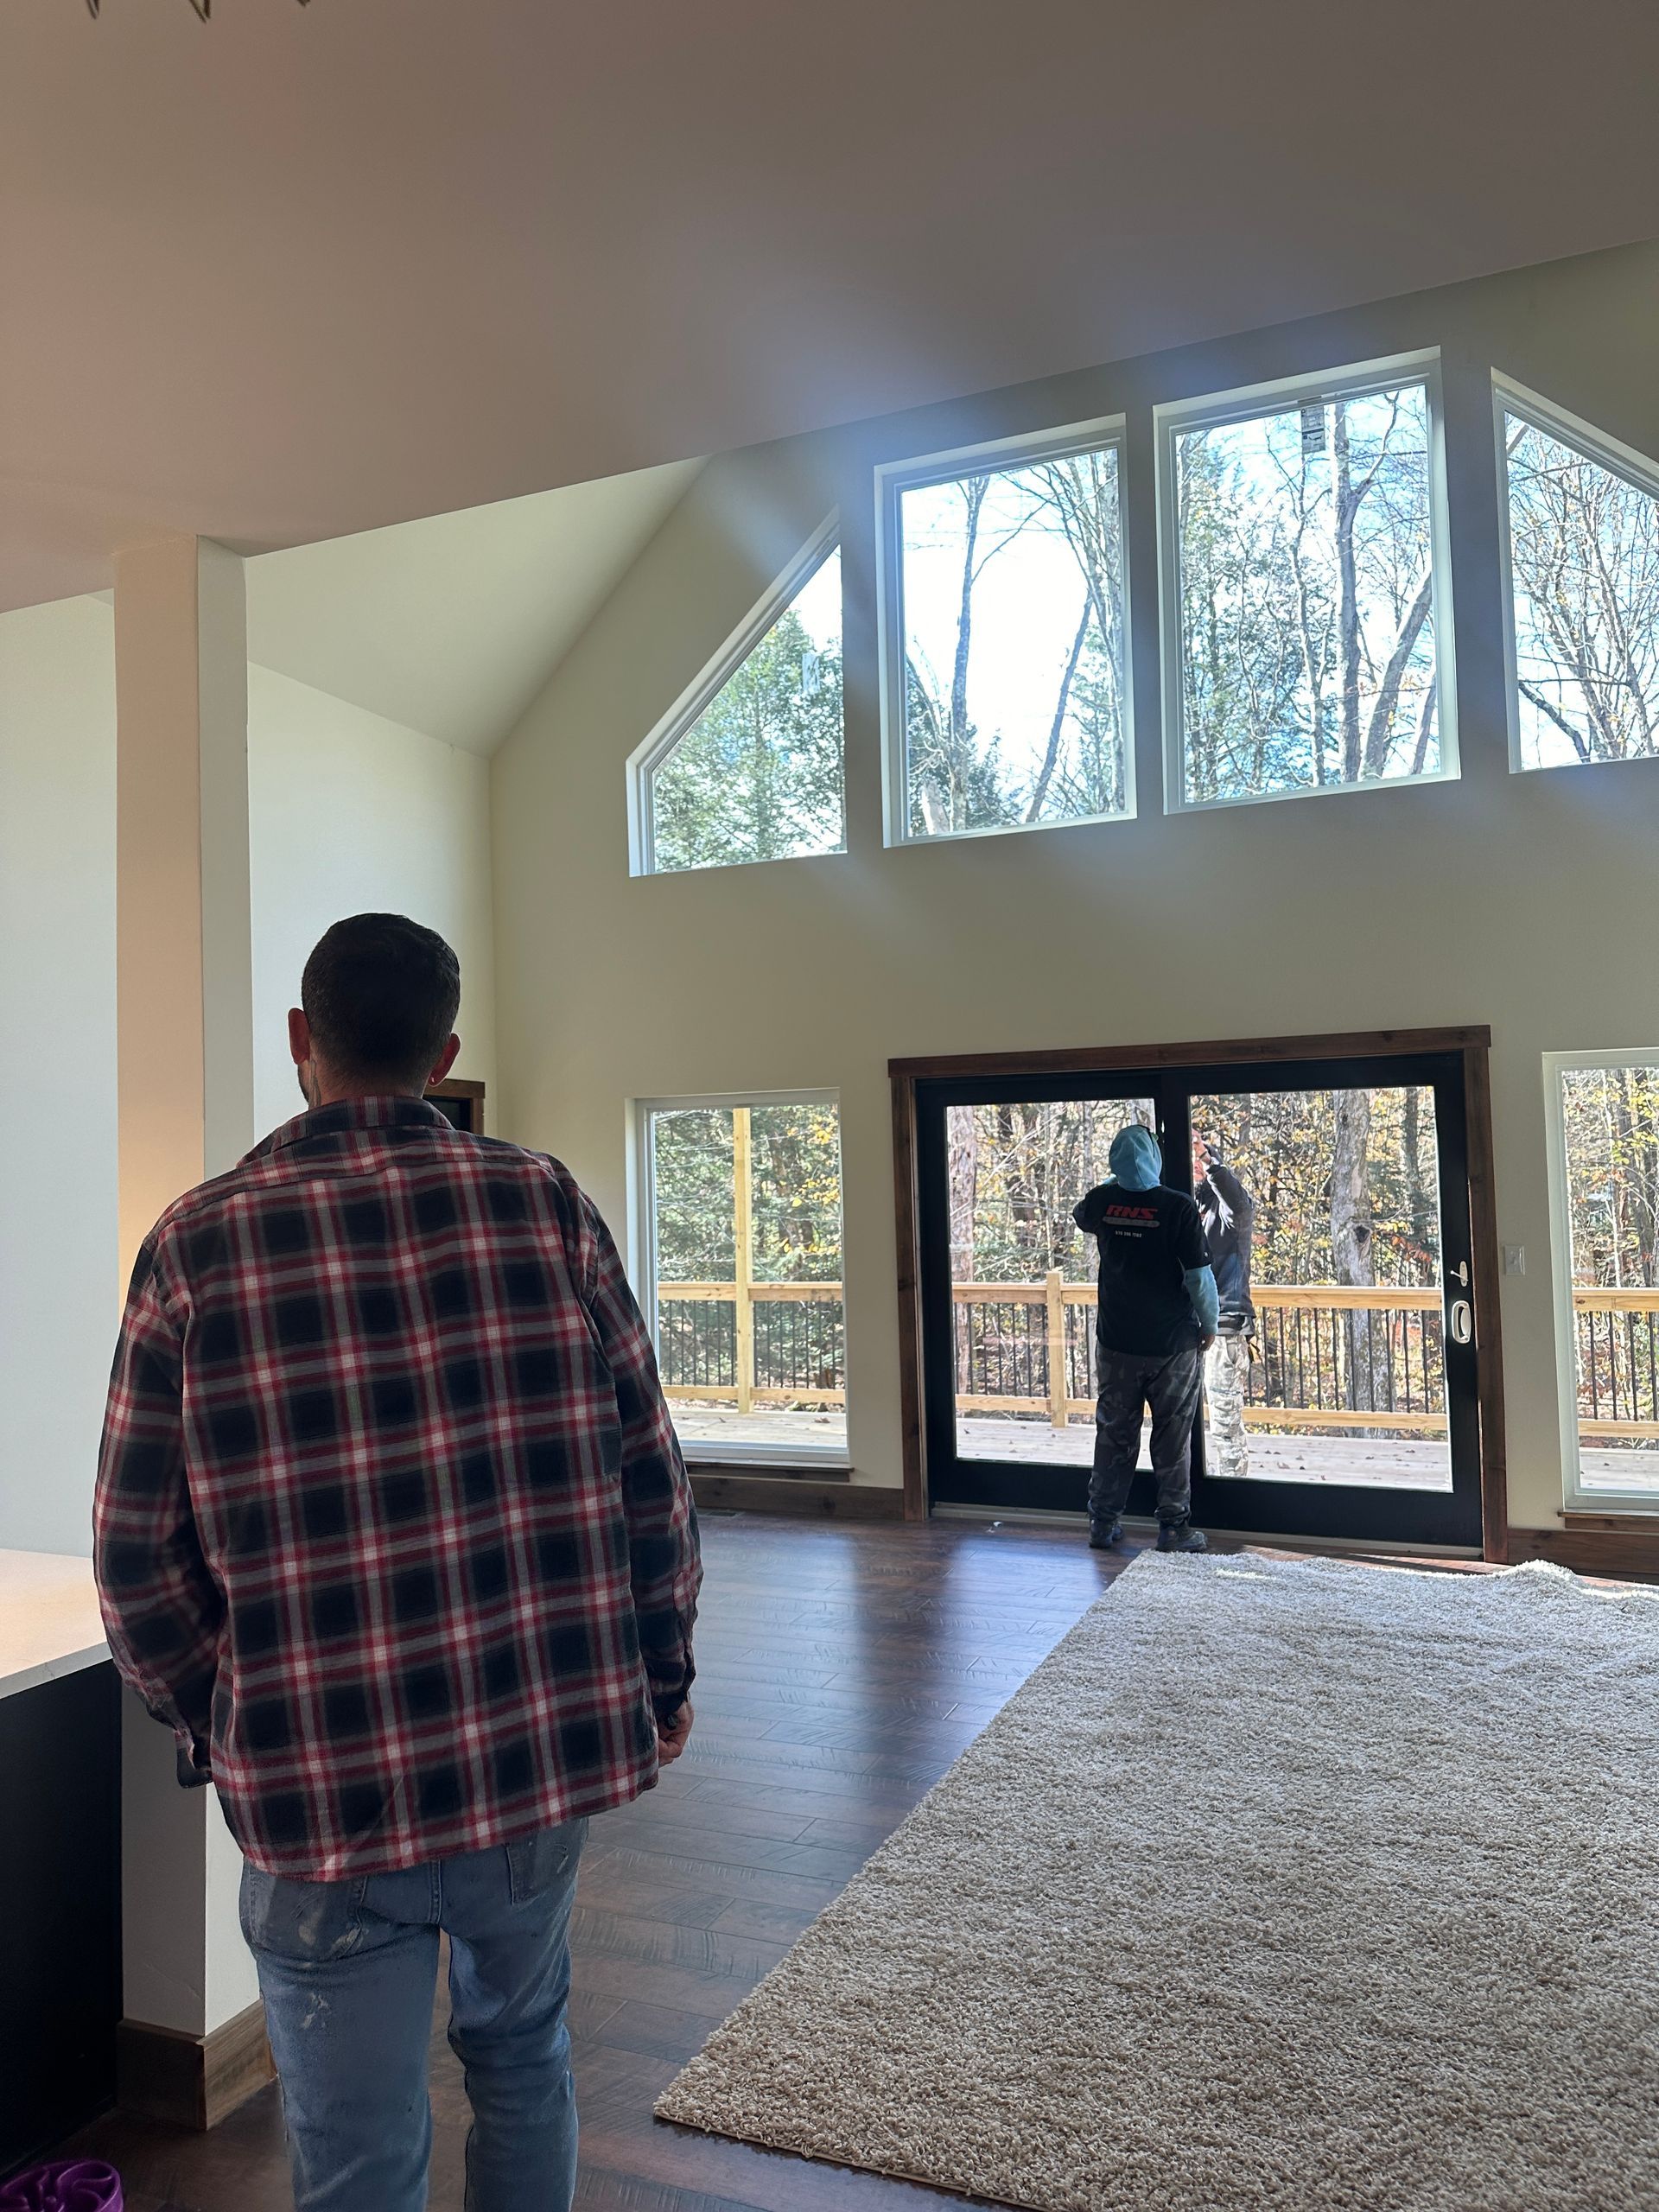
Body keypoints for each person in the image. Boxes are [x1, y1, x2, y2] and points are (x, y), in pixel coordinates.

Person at [94, 913, 702, 2212]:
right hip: (534, 1760)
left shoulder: (196, 1245)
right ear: (446, 1053)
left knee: (358, 2156)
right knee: (525, 2056)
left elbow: (136, 1560)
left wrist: (231, 1716)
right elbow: (653, 1483)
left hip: (322, 1795)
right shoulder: (547, 1205)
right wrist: (661, 1675)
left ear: (302, 1041)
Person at [1072, 1124, 1217, 1554]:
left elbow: (1083, 1216)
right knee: (1172, 1436)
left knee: (1114, 1433)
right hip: (1172, 1346)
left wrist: (1118, 1187)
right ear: (1155, 1158)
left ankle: (1102, 1522)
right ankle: (1174, 1528)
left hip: (1117, 1343)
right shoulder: (1178, 1207)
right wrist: (1209, 1325)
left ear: (1115, 1161)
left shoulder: (1102, 1202)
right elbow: (1199, 1278)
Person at [1193, 1129, 1257, 1482]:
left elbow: (1236, 1200)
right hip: (1191, 1332)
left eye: (1199, 1165)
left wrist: (1208, 1160)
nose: (1195, 1170)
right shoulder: (1192, 1212)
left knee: (1225, 1428)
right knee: (1188, 1424)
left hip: (1225, 1332)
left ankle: (1235, 1500)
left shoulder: (1233, 1214)